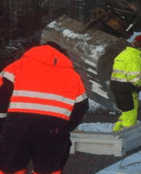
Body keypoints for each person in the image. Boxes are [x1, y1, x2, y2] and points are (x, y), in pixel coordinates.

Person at [0, 42, 88, 174]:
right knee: (47, 171)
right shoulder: (74, 76)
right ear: (62, 55)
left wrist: (2, 122)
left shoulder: (16, 67)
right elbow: (82, 106)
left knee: (10, 169)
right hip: (53, 131)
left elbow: (2, 95)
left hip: (16, 127)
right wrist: (64, 128)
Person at [110, 33, 141, 132]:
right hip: (127, 91)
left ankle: (115, 134)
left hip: (116, 89)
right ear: (140, 47)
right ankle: (126, 140)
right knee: (130, 117)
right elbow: (134, 79)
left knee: (125, 114)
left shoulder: (123, 54)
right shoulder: (135, 58)